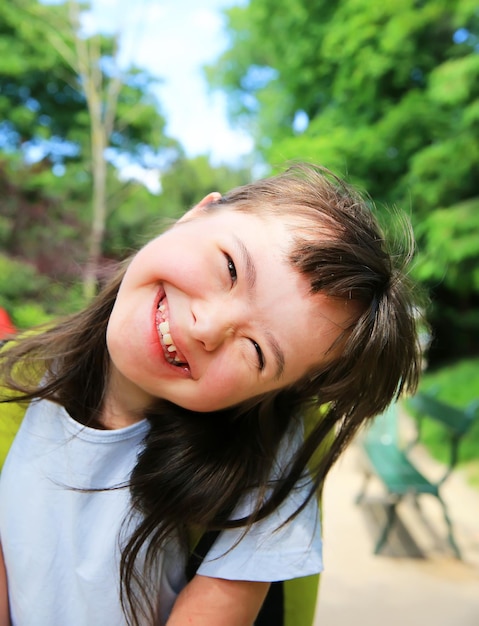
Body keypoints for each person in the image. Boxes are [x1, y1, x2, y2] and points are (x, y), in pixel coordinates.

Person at [0, 163, 422, 626]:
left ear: (270, 395)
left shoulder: (262, 466)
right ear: (198, 213)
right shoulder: (12, 384)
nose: (208, 327)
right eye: (230, 267)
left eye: (258, 352)